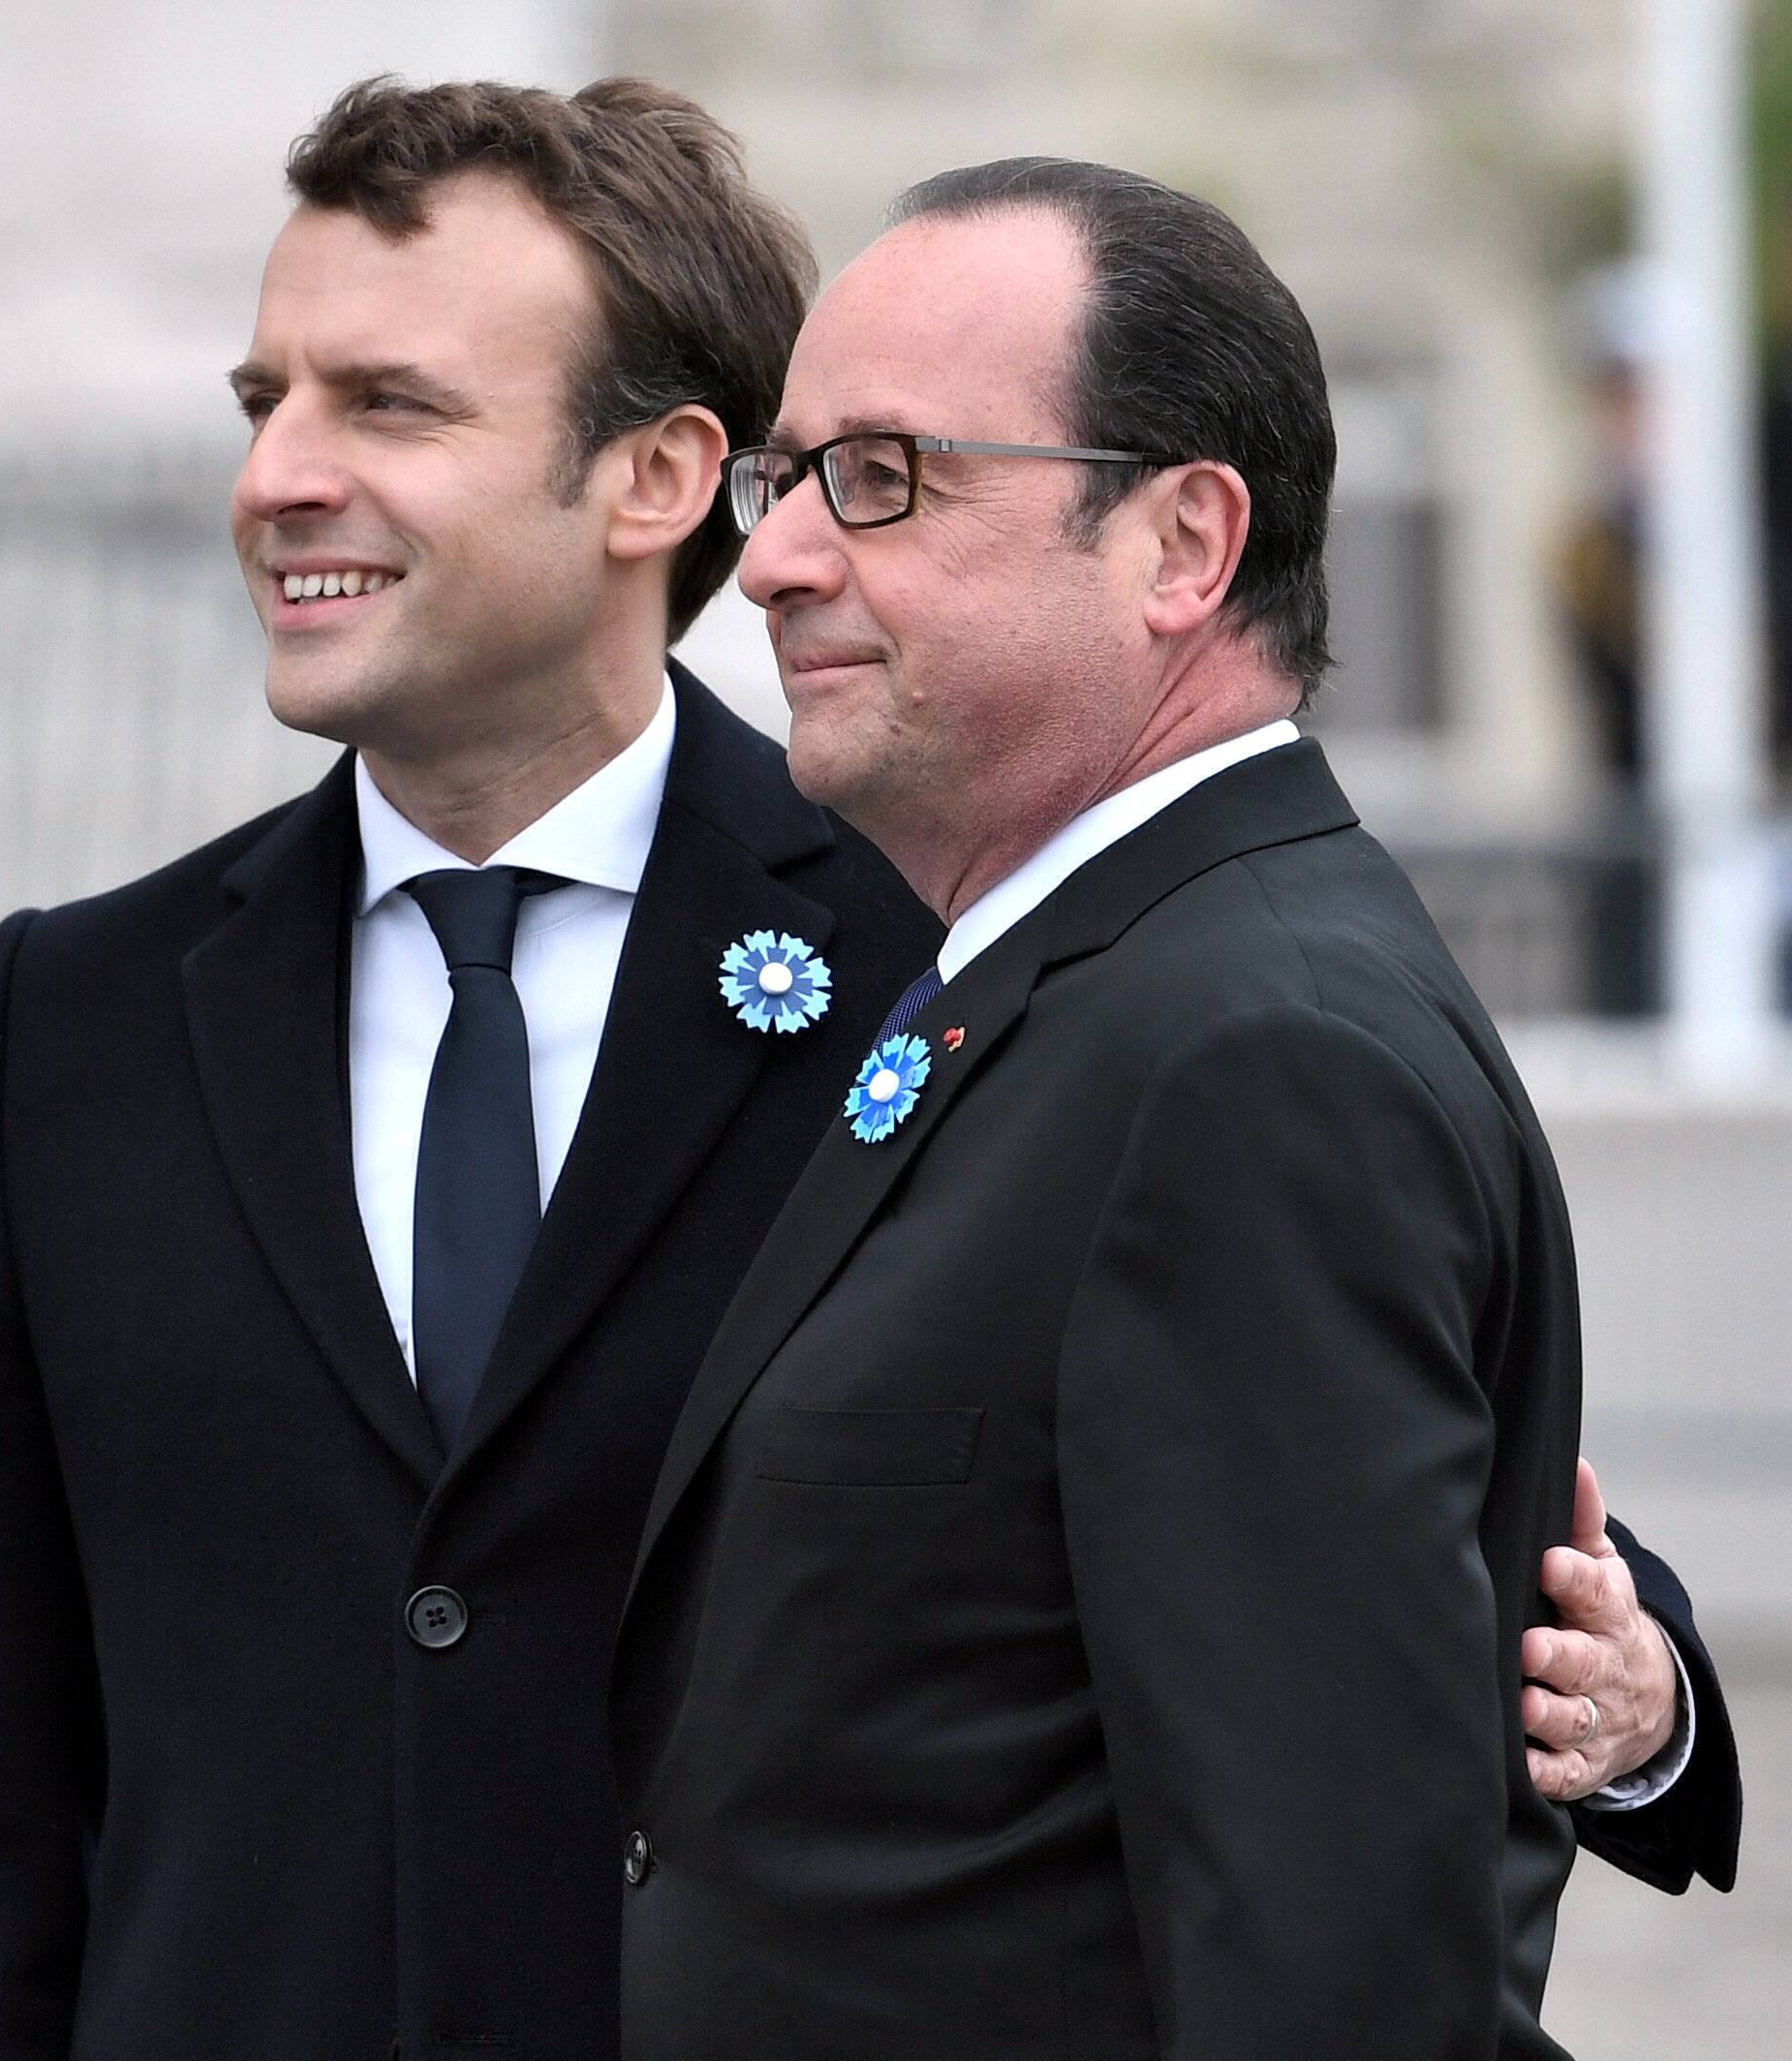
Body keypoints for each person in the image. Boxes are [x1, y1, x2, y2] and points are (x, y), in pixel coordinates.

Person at [0, 88, 1732, 2061]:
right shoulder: (75, 1016)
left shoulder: (964, 964)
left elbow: (1354, 1534)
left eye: (387, 402)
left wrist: (1643, 1705)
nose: (277, 474)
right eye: (258, 397)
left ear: (656, 477)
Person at [606, 161, 1734, 2061]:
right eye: (779, 480)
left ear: (1181, 544)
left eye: (880, 477)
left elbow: (1335, 1970)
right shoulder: (1085, 976)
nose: (780, 557)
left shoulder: (1249, 1057)